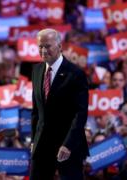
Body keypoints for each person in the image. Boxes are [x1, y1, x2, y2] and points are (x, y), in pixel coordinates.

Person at [30, 28, 89, 179]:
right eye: (40, 46)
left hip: (67, 146)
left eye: (47, 46)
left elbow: (80, 114)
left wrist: (68, 144)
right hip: (42, 144)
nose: (43, 50)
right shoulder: (36, 70)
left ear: (59, 46)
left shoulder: (75, 74)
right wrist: (33, 140)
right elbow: (36, 111)